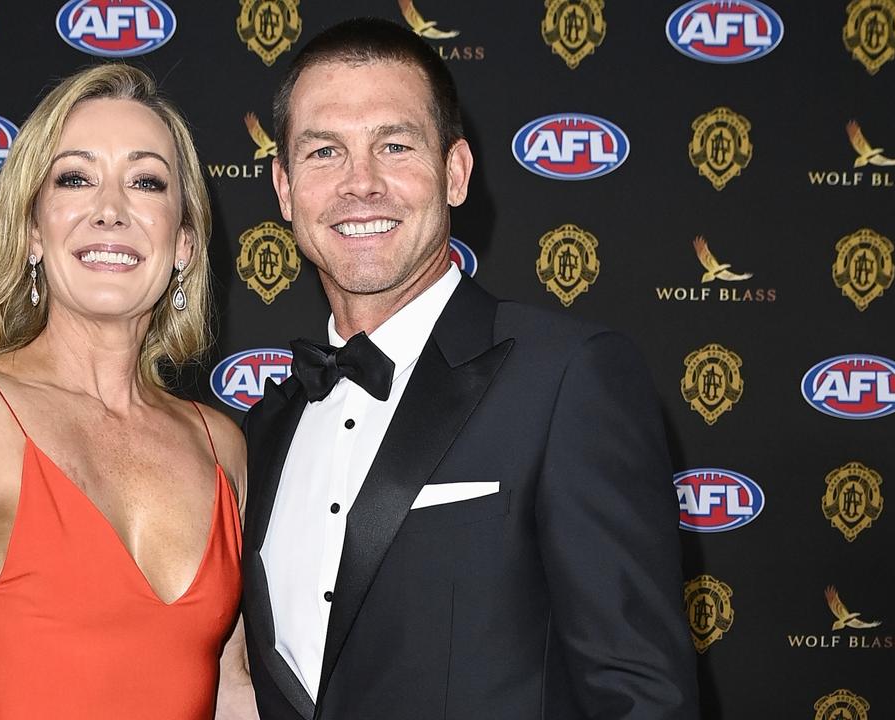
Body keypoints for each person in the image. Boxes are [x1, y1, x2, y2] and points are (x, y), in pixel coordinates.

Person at [241, 18, 700, 720]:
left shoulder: (567, 378)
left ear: (455, 172)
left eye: (394, 145)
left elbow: (639, 696)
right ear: (283, 187)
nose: (360, 184)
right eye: (324, 151)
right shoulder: (263, 429)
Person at [0, 64, 256, 719]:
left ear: (183, 242)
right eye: (75, 178)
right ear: (33, 231)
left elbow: (233, 690)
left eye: (147, 182)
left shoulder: (221, 445)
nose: (110, 209)